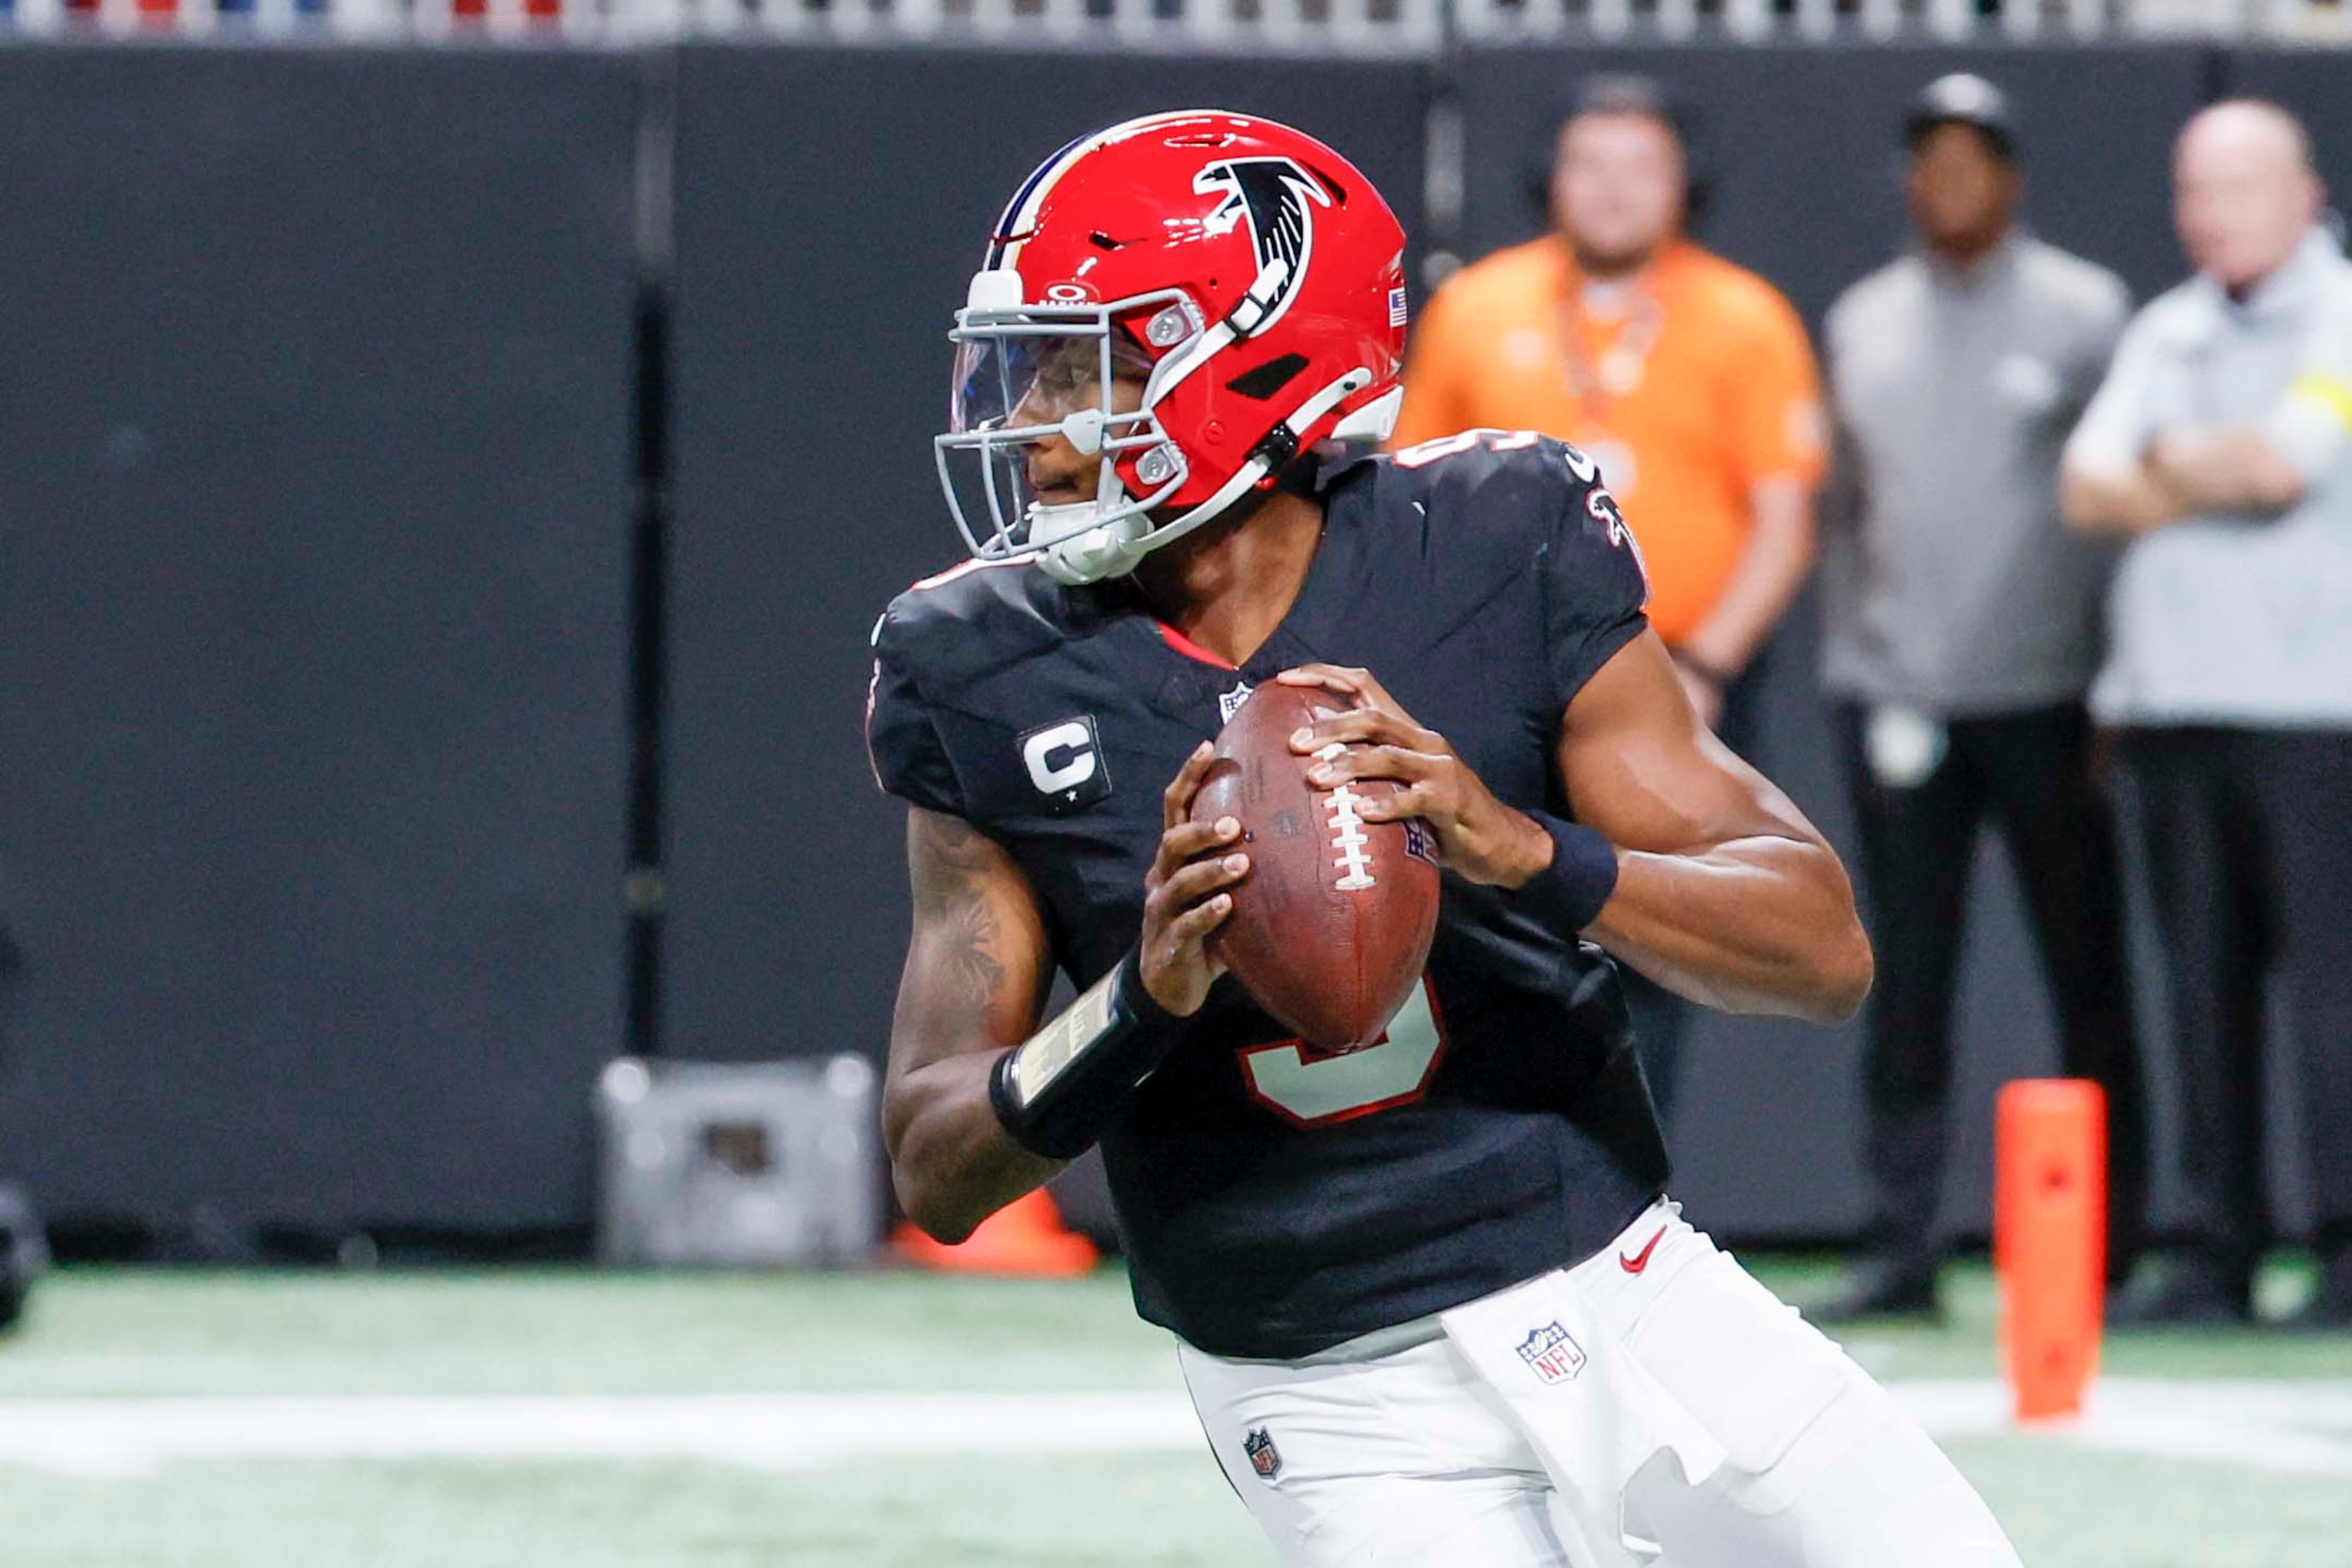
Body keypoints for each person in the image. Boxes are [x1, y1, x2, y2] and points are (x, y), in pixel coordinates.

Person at [870, 110, 2020, 1565]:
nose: (1034, 421)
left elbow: (1822, 945)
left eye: (1085, 362)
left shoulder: (1495, 535)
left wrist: (1519, 848)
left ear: (1250, 357)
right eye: (1030, 362)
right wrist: (1138, 999)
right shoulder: (973, 658)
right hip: (1324, 1385)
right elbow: (933, 1157)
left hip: (1626, 1283)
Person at [1390, 76, 1827, 1119]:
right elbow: (1407, 498)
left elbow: (1784, 516)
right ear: (1552, 179)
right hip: (1497, 674)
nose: (1615, 190)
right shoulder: (1477, 304)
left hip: (1676, 677)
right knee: (1489, 921)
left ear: (1686, 185)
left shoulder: (1744, 317)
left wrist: (1709, 664)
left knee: (1661, 928)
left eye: (1643, 166)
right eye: (1592, 162)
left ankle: (1638, 1178)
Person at [1814, 75, 2147, 1322]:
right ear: (1909, 177)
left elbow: (2115, 508)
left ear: (2011, 177)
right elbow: (1841, 513)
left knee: (2087, 964)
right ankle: (1899, 1242)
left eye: (1973, 161)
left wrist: (2118, 672)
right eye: (1929, 161)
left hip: (2049, 690)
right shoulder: (1863, 319)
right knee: (1901, 977)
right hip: (1901, 691)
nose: (1949, 183)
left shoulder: (2082, 312)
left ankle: (2109, 1245)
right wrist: (1859, 661)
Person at [2061, 99, 2352, 1328]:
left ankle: (2342, 1250)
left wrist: (2168, 464)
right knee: (2198, 993)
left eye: (2239, 187)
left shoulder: (2343, 311)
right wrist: (2205, 466)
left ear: (2304, 193)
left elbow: (2284, 466)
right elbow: (2085, 488)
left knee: (2334, 1001)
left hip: (2316, 719)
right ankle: (2212, 1249)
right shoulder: (2165, 325)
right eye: (2195, 189)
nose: (2213, 213)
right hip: (2175, 713)